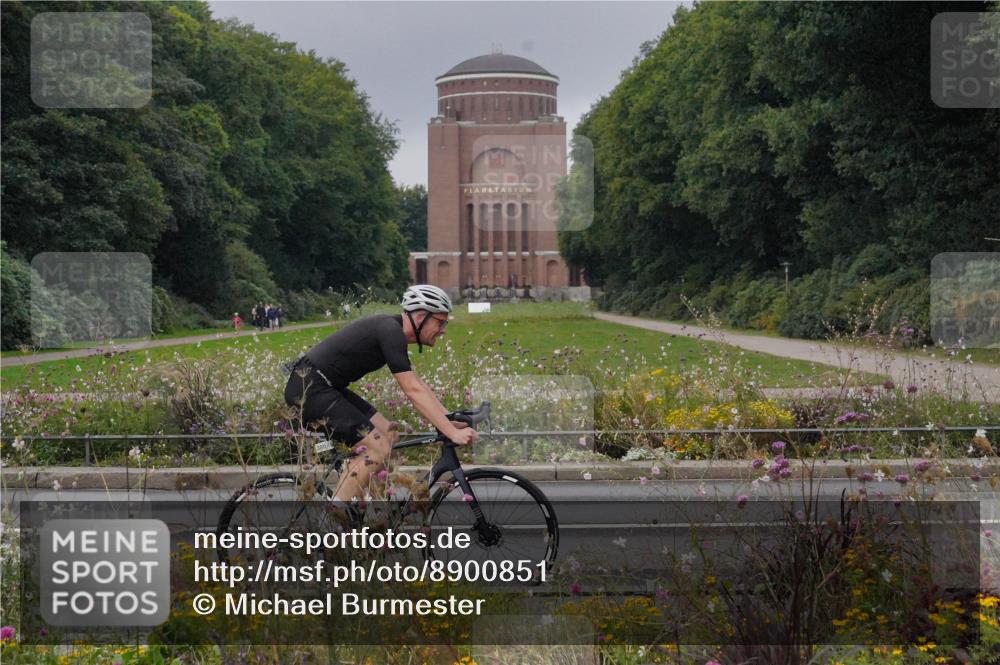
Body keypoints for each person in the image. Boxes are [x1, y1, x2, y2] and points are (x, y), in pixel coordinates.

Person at [283, 284, 477, 503]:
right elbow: (412, 391)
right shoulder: (390, 331)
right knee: (378, 448)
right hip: (310, 390)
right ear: (421, 316)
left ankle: (371, 511)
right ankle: (336, 521)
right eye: (440, 322)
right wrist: (450, 432)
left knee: (390, 435)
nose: (443, 329)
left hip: (327, 387)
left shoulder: (393, 331)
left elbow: (418, 386)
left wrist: (449, 418)